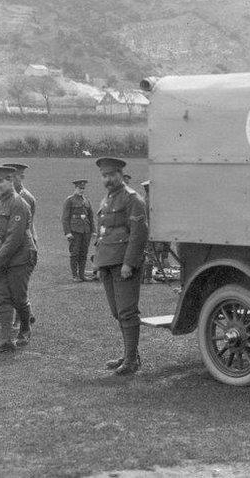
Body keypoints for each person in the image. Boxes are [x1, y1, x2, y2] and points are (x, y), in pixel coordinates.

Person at [93, 157, 148, 375]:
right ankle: (129, 355)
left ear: (120, 175)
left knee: (126, 312)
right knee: (117, 312)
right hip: (107, 262)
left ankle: (132, 361)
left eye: (111, 175)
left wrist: (129, 263)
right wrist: (98, 264)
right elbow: (102, 234)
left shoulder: (133, 199)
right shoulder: (106, 199)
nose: (107, 179)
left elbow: (139, 234)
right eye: (104, 176)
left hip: (123, 264)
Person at [0, 166, 35, 353]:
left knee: (18, 298)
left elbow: (15, 238)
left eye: (0, 181)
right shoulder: (2, 202)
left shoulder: (18, 203)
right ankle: (6, 340)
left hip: (20, 257)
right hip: (5, 256)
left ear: (10, 181)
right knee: (1, 297)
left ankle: (25, 329)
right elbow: (3, 237)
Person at [1, 163, 37, 327]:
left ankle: (21, 321)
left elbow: (23, 228)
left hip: (22, 245)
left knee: (18, 286)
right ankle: (26, 315)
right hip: (13, 244)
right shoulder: (7, 196)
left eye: (12, 177)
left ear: (19, 177)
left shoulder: (25, 198)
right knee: (14, 285)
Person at [62, 179, 95, 281]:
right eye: (80, 188)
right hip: (75, 230)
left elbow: (91, 217)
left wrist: (93, 230)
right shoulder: (70, 200)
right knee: (75, 253)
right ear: (75, 188)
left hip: (86, 230)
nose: (81, 190)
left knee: (84, 253)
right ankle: (74, 276)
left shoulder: (86, 201)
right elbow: (65, 218)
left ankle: (82, 275)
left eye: (83, 188)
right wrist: (67, 232)